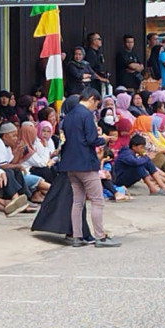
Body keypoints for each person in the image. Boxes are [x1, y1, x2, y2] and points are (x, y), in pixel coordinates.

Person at [58, 87, 121, 247]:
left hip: (70, 164)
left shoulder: (68, 115)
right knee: (97, 200)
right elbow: (91, 139)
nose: (96, 108)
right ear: (92, 99)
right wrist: (104, 139)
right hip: (86, 163)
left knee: (77, 201)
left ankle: (77, 237)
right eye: (96, 104)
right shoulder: (86, 115)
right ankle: (100, 237)